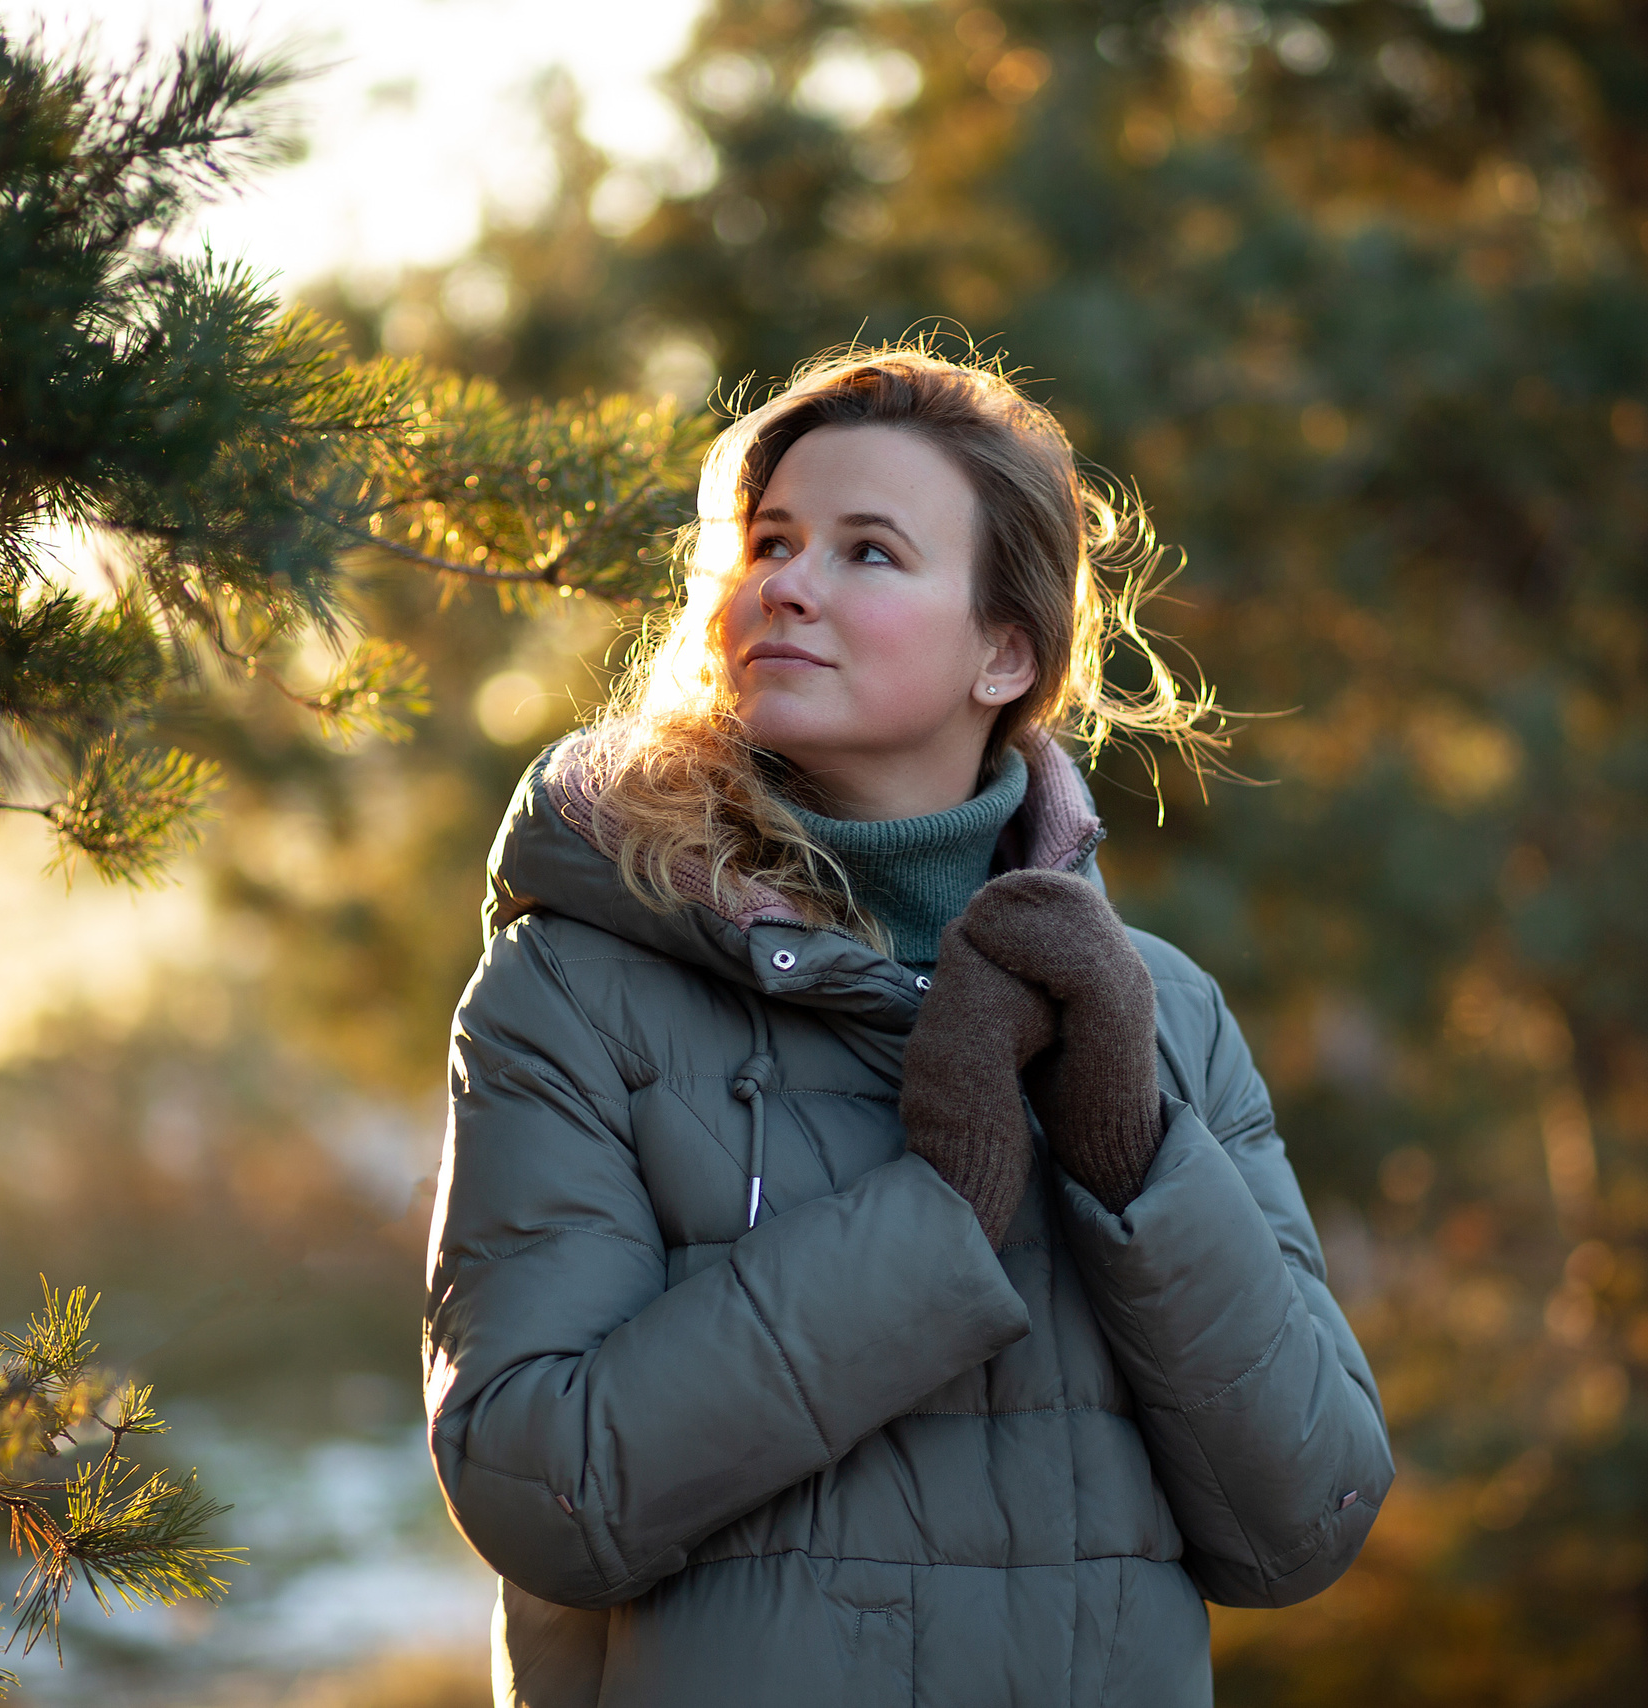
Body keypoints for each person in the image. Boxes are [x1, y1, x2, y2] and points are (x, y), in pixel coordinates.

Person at [424, 348, 1391, 1708]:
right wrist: (942, 1213)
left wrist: (1132, 1154)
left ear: (1004, 650)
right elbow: (545, 1488)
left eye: (869, 553)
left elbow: (1308, 1518)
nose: (788, 585)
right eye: (770, 543)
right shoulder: (576, 990)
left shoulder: (1157, 1013)